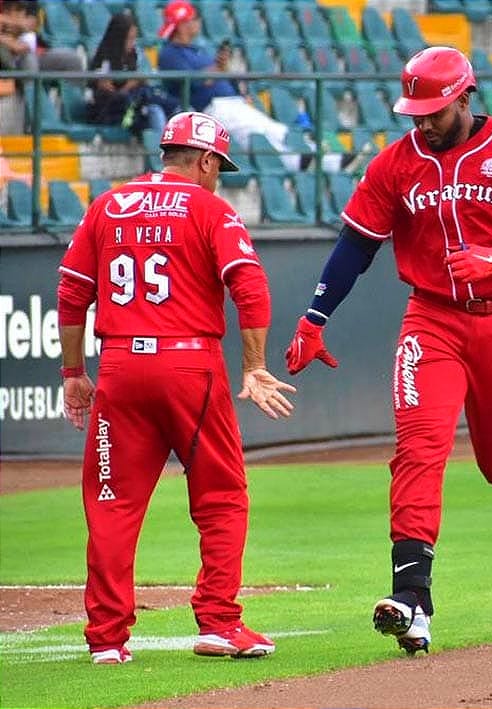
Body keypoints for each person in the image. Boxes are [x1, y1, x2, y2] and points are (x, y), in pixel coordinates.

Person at [284, 46, 492, 655]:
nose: (422, 122)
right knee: (419, 448)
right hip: (432, 319)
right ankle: (413, 602)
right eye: (414, 112)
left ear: (465, 98)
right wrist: (315, 317)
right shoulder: (396, 165)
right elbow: (356, 245)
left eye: (435, 111)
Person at [57, 111, 297, 664]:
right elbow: (250, 285)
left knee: (112, 504)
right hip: (190, 368)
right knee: (221, 497)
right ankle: (218, 623)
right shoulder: (211, 208)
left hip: (120, 367)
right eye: (219, 166)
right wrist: (254, 365)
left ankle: (108, 641)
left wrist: (74, 375)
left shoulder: (107, 205)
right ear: (206, 160)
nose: (218, 176)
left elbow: (72, 292)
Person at [156, 0, 358, 174]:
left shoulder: (197, 50)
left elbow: (216, 76)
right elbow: (192, 82)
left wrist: (230, 78)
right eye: (192, 19)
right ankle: (316, 162)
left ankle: (327, 160)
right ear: (181, 25)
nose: (197, 23)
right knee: (260, 134)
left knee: (275, 131)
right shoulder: (170, 54)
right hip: (211, 110)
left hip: (231, 104)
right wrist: (217, 68)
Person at [87, 11, 179, 137]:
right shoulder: (104, 59)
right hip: (113, 114)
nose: (132, 43)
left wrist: (139, 81)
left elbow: (149, 79)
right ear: (118, 38)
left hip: (136, 107)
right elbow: (113, 98)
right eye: (129, 39)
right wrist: (131, 84)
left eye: (134, 38)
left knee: (156, 109)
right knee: (155, 110)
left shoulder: (135, 54)